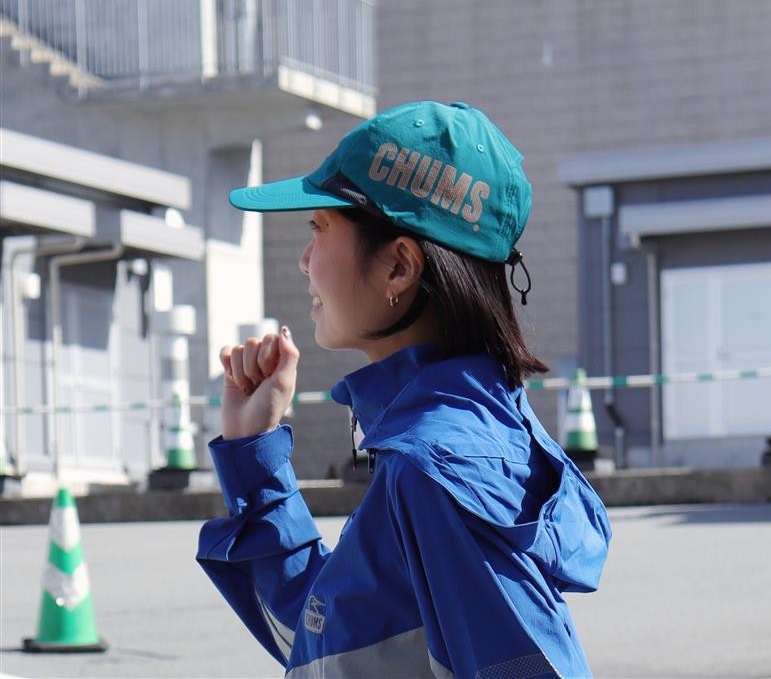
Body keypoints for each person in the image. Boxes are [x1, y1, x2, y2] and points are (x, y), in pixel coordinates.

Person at [197, 100, 611, 679]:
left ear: (398, 267)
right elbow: (330, 642)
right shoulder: (441, 444)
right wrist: (252, 453)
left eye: (319, 227)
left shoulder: (438, 470)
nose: (304, 259)